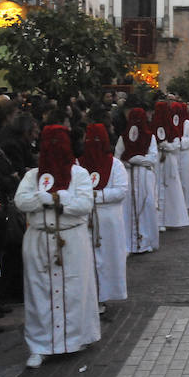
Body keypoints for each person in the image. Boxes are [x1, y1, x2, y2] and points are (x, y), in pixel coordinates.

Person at [15, 125, 99, 369]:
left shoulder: (79, 174)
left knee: (74, 289)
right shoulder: (32, 176)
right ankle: (40, 345)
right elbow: (21, 201)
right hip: (40, 239)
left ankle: (74, 339)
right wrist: (42, 200)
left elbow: (84, 203)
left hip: (71, 239)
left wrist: (55, 199)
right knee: (39, 292)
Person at [78, 124, 129, 314]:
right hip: (86, 219)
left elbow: (121, 190)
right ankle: (91, 296)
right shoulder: (78, 164)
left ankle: (105, 294)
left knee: (107, 258)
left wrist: (95, 196)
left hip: (108, 220)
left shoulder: (115, 164)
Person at [114, 108, 159, 253]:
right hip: (128, 174)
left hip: (144, 175)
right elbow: (117, 157)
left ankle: (145, 240)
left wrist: (138, 159)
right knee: (128, 208)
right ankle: (129, 242)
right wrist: (126, 162)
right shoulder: (123, 137)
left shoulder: (150, 137)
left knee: (146, 206)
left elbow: (153, 157)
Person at [151, 100, 189, 231]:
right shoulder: (152, 126)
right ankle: (158, 219)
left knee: (169, 188)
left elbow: (176, 144)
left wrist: (166, 146)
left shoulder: (171, 127)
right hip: (157, 160)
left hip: (168, 160)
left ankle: (170, 218)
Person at [174, 102, 189, 209]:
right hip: (174, 154)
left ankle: (187, 202)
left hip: (185, 154)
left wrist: (179, 141)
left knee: (186, 179)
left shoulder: (187, 123)